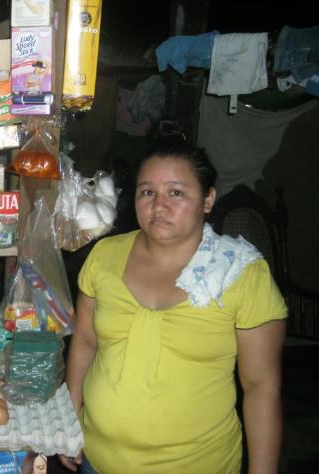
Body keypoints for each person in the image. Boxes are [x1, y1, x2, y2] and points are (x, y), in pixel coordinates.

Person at [59, 139, 287, 473]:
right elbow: (85, 341)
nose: (158, 206)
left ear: (208, 199)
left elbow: (261, 387)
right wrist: (68, 420)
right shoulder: (105, 255)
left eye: (176, 192)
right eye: (147, 192)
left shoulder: (238, 273)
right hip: (98, 459)